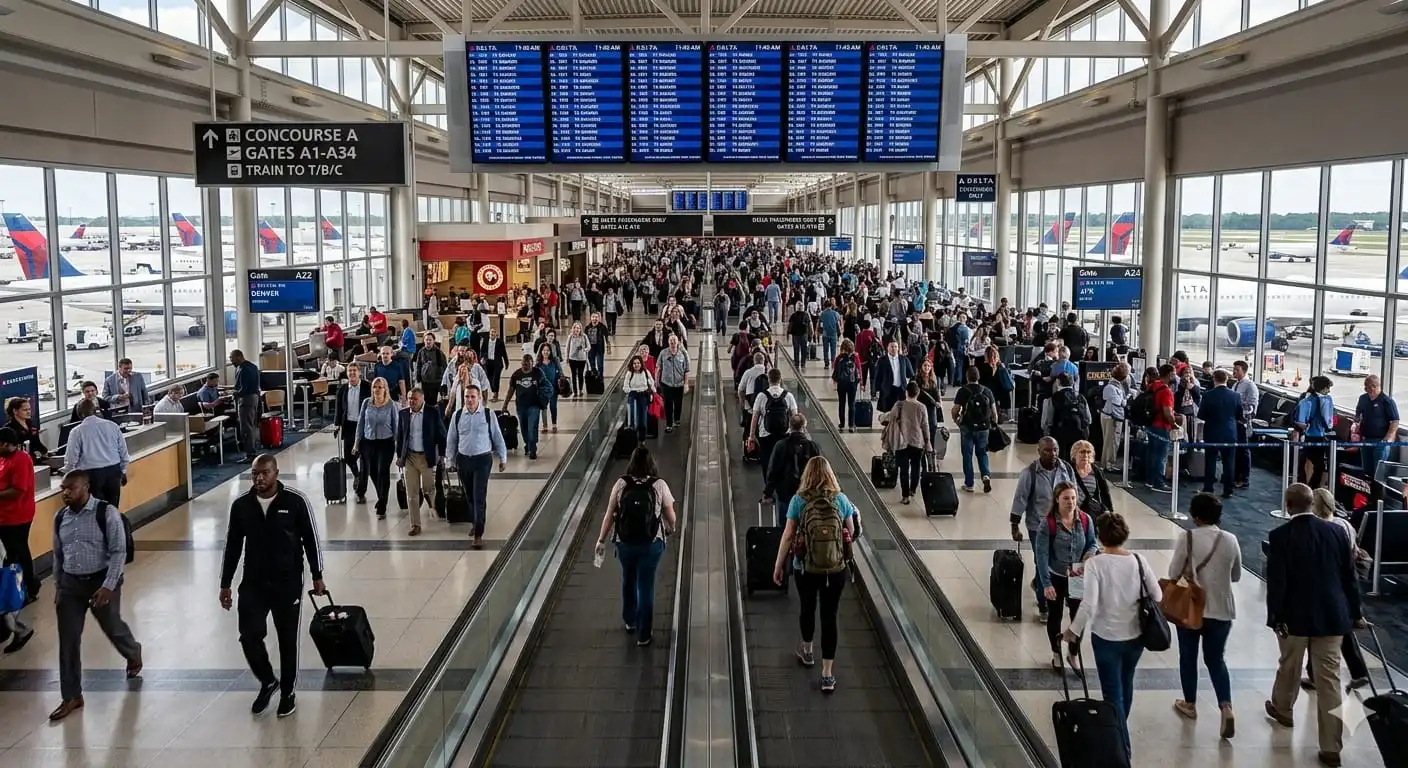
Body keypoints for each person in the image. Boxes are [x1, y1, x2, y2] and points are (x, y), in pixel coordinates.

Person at [1264, 484, 1366, 768]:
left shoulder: (1280, 537)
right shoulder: (1336, 532)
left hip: (1294, 618)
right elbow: (1349, 577)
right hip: (1333, 617)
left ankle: (1283, 709)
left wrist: (1275, 618)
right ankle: (1331, 747)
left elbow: (1278, 583)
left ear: (1288, 505)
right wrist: (1355, 612)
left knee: (1290, 666)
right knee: (1330, 679)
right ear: (1311, 504)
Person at [219, 455, 325, 719]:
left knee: (287, 639)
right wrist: (225, 584)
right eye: (255, 473)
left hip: (287, 582)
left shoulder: (295, 502)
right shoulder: (242, 505)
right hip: (253, 582)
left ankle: (288, 691)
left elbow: (311, 539)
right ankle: (268, 680)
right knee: (248, 635)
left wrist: (317, 574)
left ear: (276, 473)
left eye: (265, 473)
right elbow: (232, 547)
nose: (259, 478)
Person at [1064, 512, 1161, 763]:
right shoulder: (1138, 560)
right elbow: (1157, 595)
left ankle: (1121, 749)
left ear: (1100, 535)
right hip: (1135, 637)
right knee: (1126, 683)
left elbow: (1089, 604)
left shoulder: (1097, 564)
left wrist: (1072, 631)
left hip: (1106, 638)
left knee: (1112, 694)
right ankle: (1119, 727)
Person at [49, 469, 143, 721]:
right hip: (71, 583)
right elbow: (58, 555)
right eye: (63, 489)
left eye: (70, 488)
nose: (65, 493)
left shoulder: (106, 513)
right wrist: (59, 586)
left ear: (85, 488)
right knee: (68, 641)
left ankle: (133, 652)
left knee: (111, 625)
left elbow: (118, 551)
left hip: (101, 579)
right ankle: (71, 696)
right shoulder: (60, 518)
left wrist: (108, 585)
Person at [772, 456, 856, 694]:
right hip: (835, 568)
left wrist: (779, 565)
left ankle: (807, 651)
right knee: (830, 617)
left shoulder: (799, 501)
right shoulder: (840, 499)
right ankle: (827, 674)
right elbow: (851, 531)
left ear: (806, 475)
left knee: (807, 608)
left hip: (805, 567)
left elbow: (788, 535)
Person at [1169, 493, 1242, 739]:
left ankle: (1189, 704)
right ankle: (1226, 705)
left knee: (1188, 657)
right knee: (1216, 659)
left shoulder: (1187, 537)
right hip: (1221, 609)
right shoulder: (1230, 539)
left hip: (1192, 607)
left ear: (1195, 515)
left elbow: (1173, 572)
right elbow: (1236, 576)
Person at [593, 446, 677, 647]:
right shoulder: (659, 485)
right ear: (651, 463)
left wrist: (601, 539)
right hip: (651, 544)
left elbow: (609, 515)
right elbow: (670, 515)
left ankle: (630, 620)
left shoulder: (622, 483)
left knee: (628, 579)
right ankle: (644, 634)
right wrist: (671, 528)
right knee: (645, 585)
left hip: (625, 543)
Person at [1300, 488, 1371, 693]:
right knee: (1343, 629)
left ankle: (1315, 675)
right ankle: (1358, 672)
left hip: (1327, 586)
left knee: (1319, 630)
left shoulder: (1321, 529)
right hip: (1345, 586)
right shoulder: (1345, 525)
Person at [1011, 437, 1077, 621]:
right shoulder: (1029, 473)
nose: (1053, 454)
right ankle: (1044, 605)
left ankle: (1041, 585)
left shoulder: (1066, 470)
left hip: (1062, 524)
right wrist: (1014, 525)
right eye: (1047, 451)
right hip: (1038, 526)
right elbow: (1020, 499)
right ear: (1039, 452)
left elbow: (1074, 495)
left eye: (1055, 450)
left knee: (1059, 562)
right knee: (1043, 564)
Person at [1034, 482, 1096, 670]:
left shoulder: (1085, 520)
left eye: (1073, 498)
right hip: (1056, 576)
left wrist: (1089, 555)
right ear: (1057, 500)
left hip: (1077, 576)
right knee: (1055, 615)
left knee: (1079, 617)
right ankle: (1056, 652)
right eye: (1066, 498)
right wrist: (1046, 584)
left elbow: (1093, 543)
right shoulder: (1048, 524)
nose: (1070, 502)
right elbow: (1042, 556)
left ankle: (1073, 652)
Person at [445, 385, 508, 549]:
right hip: (464, 460)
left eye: (473, 397)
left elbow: (497, 436)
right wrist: (450, 461)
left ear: (479, 397)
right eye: (467, 397)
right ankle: (476, 520)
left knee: (478, 494)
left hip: (483, 459)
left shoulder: (488, 414)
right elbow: (451, 439)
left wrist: (503, 458)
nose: (470, 400)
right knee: (470, 496)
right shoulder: (458, 416)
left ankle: (479, 533)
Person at [396, 387, 447, 537]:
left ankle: (432, 504)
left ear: (422, 399)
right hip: (410, 457)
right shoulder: (403, 414)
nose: (411, 401)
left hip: (426, 457)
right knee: (411, 493)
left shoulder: (432, 412)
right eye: (410, 398)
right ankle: (415, 524)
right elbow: (400, 437)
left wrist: (442, 455)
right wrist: (399, 456)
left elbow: (441, 434)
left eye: (415, 399)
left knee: (428, 488)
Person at [62, 399, 129, 507]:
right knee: (112, 509)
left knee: (96, 511)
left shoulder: (77, 432)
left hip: (92, 476)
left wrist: (66, 473)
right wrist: (123, 470)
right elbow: (124, 452)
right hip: (114, 472)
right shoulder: (112, 426)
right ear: (95, 410)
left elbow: (71, 459)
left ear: (79, 414)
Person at [0, 427, 39, 606]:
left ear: (6, 444)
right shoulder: (4, 458)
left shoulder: (21, 460)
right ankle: (14, 588)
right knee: (11, 554)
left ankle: (29, 587)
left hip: (17, 515)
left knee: (18, 552)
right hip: (5, 516)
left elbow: (17, 490)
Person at [352, 377, 399, 518]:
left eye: (380, 387)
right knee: (372, 472)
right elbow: (360, 424)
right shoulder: (366, 403)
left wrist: (398, 445)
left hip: (386, 443)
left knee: (382, 471)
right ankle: (381, 497)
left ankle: (382, 504)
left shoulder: (391, 405)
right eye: (375, 387)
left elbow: (396, 426)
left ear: (385, 389)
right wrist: (356, 443)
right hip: (368, 442)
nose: (377, 390)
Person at [764, 413, 821, 527]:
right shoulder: (812, 446)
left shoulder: (780, 445)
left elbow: (773, 470)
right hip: (807, 494)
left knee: (785, 527)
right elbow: (819, 471)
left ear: (790, 427)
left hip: (786, 493)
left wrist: (768, 493)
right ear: (804, 427)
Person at [882, 382, 933, 506]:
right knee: (916, 467)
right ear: (918, 393)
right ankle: (913, 490)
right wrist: (928, 442)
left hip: (901, 442)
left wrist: (881, 417)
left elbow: (890, 417)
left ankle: (905, 496)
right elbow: (925, 426)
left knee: (904, 470)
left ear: (906, 392)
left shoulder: (899, 405)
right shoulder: (921, 407)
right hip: (917, 442)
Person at [1196, 369, 1242, 498]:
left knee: (1210, 461)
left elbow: (1201, 415)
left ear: (1214, 379)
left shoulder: (1208, 395)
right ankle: (1228, 490)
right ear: (1227, 380)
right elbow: (1239, 415)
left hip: (1212, 432)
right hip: (1230, 433)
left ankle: (1208, 489)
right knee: (1229, 463)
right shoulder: (1235, 396)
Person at [951, 367, 997, 494]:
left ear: (967, 377)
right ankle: (985, 475)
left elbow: (955, 409)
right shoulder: (987, 391)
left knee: (967, 454)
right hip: (984, 428)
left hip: (967, 427)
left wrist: (957, 421)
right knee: (982, 453)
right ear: (978, 377)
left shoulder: (963, 391)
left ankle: (969, 483)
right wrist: (992, 424)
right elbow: (994, 413)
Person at [750, 369, 798, 477]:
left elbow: (755, 417)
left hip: (765, 434)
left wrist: (751, 436)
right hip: (784, 434)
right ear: (780, 379)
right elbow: (795, 417)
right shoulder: (788, 396)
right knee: (783, 460)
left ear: (769, 379)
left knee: (766, 460)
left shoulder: (761, 396)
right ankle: (781, 483)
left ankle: (768, 487)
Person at [334, 364, 372, 502]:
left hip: (364, 427)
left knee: (365, 459)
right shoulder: (343, 389)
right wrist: (337, 425)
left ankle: (361, 491)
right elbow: (339, 408)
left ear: (359, 372)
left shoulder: (368, 387)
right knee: (349, 457)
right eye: (349, 371)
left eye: (354, 371)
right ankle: (357, 475)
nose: (352, 373)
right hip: (349, 426)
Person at [1292, 376, 1335, 489]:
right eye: (1327, 388)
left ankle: (1304, 486)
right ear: (1322, 388)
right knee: (1319, 465)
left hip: (1308, 436)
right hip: (1318, 436)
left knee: (1306, 461)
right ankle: (1313, 487)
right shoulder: (1326, 400)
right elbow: (1328, 422)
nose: (1329, 391)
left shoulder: (1305, 401)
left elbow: (1299, 420)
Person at [1144, 365, 1180, 493]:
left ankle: (1149, 480)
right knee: (1161, 455)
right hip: (1161, 426)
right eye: (1174, 373)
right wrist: (1175, 424)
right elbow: (1167, 413)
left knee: (1152, 453)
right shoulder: (1166, 391)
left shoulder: (1153, 385)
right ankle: (1158, 482)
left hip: (1150, 424)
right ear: (1170, 374)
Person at [504, 354, 548, 460]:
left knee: (532, 427)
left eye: (528, 364)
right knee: (524, 428)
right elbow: (511, 390)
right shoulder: (516, 375)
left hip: (534, 406)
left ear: (532, 363)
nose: (525, 366)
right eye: (523, 363)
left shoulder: (538, 373)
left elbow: (546, 387)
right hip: (521, 406)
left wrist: (545, 400)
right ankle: (527, 444)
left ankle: (533, 448)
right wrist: (505, 404)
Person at [1354, 374, 1399, 475]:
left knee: (1378, 472)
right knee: (1366, 470)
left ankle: (1377, 490)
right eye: (1365, 386)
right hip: (1366, 439)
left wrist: (1387, 439)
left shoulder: (1387, 401)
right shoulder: (1363, 398)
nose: (1366, 389)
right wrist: (1356, 423)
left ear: (1375, 386)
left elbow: (1395, 421)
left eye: (1368, 387)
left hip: (1381, 441)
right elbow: (1358, 412)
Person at [1042, 373, 1091, 461]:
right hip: (1079, 434)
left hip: (1059, 434)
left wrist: (1046, 435)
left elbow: (1046, 422)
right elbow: (1088, 419)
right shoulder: (1081, 398)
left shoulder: (1052, 399)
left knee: (1061, 460)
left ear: (1058, 382)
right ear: (1072, 383)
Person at [1230, 360, 1259, 488]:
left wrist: (1242, 416)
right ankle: (1234, 475)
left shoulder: (1250, 385)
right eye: (1234, 369)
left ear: (1244, 370)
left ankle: (1244, 478)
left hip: (1243, 423)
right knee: (1236, 450)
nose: (1234, 372)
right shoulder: (1235, 384)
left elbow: (1252, 406)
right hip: (1234, 422)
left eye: (1237, 370)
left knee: (1243, 451)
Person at [230, 349, 261, 463]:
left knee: (246, 428)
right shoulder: (252, 366)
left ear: (238, 357)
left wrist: (233, 393)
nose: (231, 361)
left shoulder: (243, 369)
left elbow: (243, 389)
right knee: (251, 425)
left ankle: (250, 454)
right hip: (254, 398)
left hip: (246, 400)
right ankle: (252, 450)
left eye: (231, 358)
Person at [1069, 440, 1114, 516]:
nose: (1085, 455)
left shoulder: (1096, 471)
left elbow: (1105, 493)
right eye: (1082, 452)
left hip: (1091, 510)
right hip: (1073, 510)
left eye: (1088, 452)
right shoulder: (1069, 470)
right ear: (1074, 454)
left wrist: (1110, 511)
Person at [657, 333, 691, 432]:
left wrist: (686, 384)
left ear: (678, 342)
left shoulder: (683, 354)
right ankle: (669, 424)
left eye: (674, 341)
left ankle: (677, 419)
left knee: (678, 403)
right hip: (666, 383)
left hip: (679, 384)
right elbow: (658, 367)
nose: (672, 342)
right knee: (667, 404)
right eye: (671, 341)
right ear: (668, 342)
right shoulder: (663, 353)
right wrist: (656, 380)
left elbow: (687, 370)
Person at [1100, 363, 1130, 472]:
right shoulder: (1111, 387)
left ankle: (1106, 463)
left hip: (1110, 416)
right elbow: (1119, 402)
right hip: (1112, 417)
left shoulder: (1114, 386)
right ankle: (1109, 464)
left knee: (1109, 441)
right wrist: (1126, 399)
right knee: (1112, 442)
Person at [873, 340, 915, 414]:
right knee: (888, 414)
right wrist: (876, 390)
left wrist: (910, 389)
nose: (894, 348)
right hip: (887, 390)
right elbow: (877, 376)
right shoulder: (882, 360)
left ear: (898, 348)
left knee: (902, 413)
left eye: (896, 347)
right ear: (887, 348)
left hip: (901, 390)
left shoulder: (904, 359)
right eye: (892, 347)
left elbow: (911, 375)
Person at [831, 338, 862, 432]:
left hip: (842, 383)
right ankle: (851, 425)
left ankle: (842, 424)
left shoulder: (839, 357)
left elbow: (835, 369)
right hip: (852, 384)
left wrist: (835, 381)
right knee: (852, 404)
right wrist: (861, 382)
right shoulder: (855, 357)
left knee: (842, 403)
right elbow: (859, 370)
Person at [623, 355, 656, 442]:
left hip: (643, 396)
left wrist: (654, 393)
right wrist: (630, 391)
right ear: (632, 364)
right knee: (634, 418)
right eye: (634, 363)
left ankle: (642, 440)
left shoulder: (645, 372)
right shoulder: (629, 373)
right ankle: (633, 439)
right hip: (633, 396)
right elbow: (625, 386)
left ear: (641, 364)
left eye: (638, 363)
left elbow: (651, 383)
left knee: (643, 419)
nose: (636, 365)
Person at [4, 396, 47, 462]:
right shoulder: (8, 429)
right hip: (18, 463)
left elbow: (37, 444)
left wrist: (45, 452)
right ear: (15, 411)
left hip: (34, 460)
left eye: (29, 409)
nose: (28, 412)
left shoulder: (32, 426)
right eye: (25, 410)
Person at [476, 325, 509, 401]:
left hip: (497, 363)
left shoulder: (500, 342)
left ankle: (495, 394)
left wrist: (506, 363)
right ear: (489, 334)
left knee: (496, 378)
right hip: (488, 363)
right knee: (489, 378)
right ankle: (494, 390)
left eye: (494, 333)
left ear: (496, 334)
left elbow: (504, 353)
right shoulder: (485, 341)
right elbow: (482, 351)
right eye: (491, 333)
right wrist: (482, 359)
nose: (492, 334)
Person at [535, 346, 562, 434]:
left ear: (550, 352)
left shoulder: (554, 362)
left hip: (553, 388)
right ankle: (545, 425)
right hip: (543, 390)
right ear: (541, 352)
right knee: (543, 407)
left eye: (547, 350)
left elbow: (559, 373)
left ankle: (554, 424)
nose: (546, 352)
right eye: (544, 350)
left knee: (553, 406)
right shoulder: (538, 364)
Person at [416, 332, 447, 405]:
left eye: (430, 340)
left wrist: (443, 381)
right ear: (424, 341)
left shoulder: (439, 352)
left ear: (434, 341)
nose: (428, 342)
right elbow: (418, 365)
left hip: (435, 381)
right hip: (425, 381)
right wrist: (418, 378)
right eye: (426, 340)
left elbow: (444, 366)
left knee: (433, 401)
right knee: (425, 401)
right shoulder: (421, 351)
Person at [565, 322, 590, 397]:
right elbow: (567, 347)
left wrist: (584, 350)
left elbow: (589, 346)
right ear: (573, 329)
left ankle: (580, 389)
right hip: (572, 358)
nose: (577, 329)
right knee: (573, 375)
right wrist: (566, 357)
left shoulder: (584, 336)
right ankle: (575, 391)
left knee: (580, 374)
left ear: (580, 329)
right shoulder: (570, 337)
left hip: (582, 359)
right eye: (575, 328)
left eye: (578, 328)